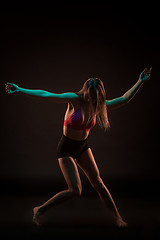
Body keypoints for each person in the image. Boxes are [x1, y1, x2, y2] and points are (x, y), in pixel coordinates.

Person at [5, 67, 152, 227]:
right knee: (75, 190)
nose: (92, 100)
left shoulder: (98, 105)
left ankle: (117, 218)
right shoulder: (75, 99)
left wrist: (140, 82)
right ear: (85, 91)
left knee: (98, 183)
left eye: (95, 97)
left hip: (82, 146)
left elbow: (124, 99)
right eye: (90, 96)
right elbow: (45, 94)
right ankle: (39, 209)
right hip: (66, 148)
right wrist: (19, 89)